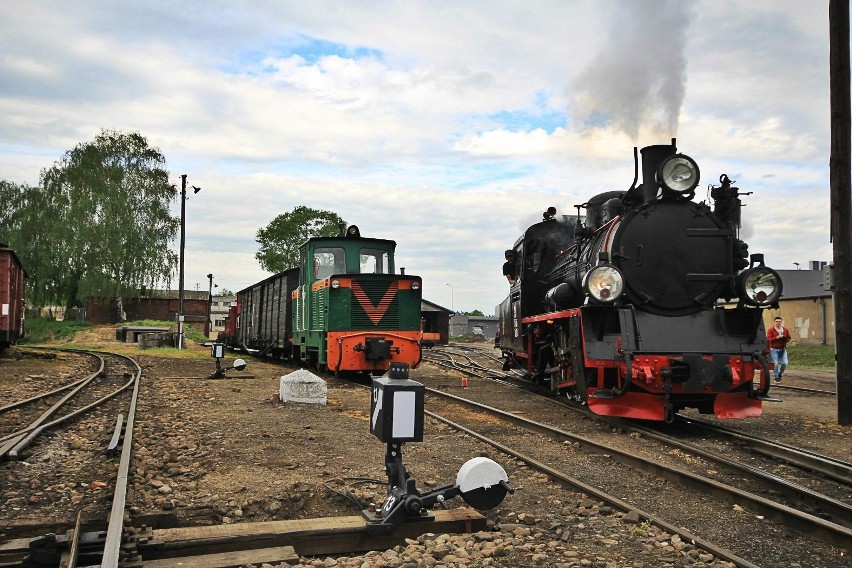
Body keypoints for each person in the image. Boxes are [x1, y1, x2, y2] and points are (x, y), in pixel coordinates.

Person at [766, 316, 792, 383]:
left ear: (781, 322)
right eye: (777, 321)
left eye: (779, 321)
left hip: (783, 349)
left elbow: (789, 338)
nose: (778, 323)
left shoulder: (785, 330)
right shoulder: (771, 330)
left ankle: (779, 374)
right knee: (775, 363)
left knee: (785, 363)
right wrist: (776, 337)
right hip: (774, 349)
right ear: (774, 322)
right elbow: (768, 339)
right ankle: (776, 376)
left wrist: (785, 339)